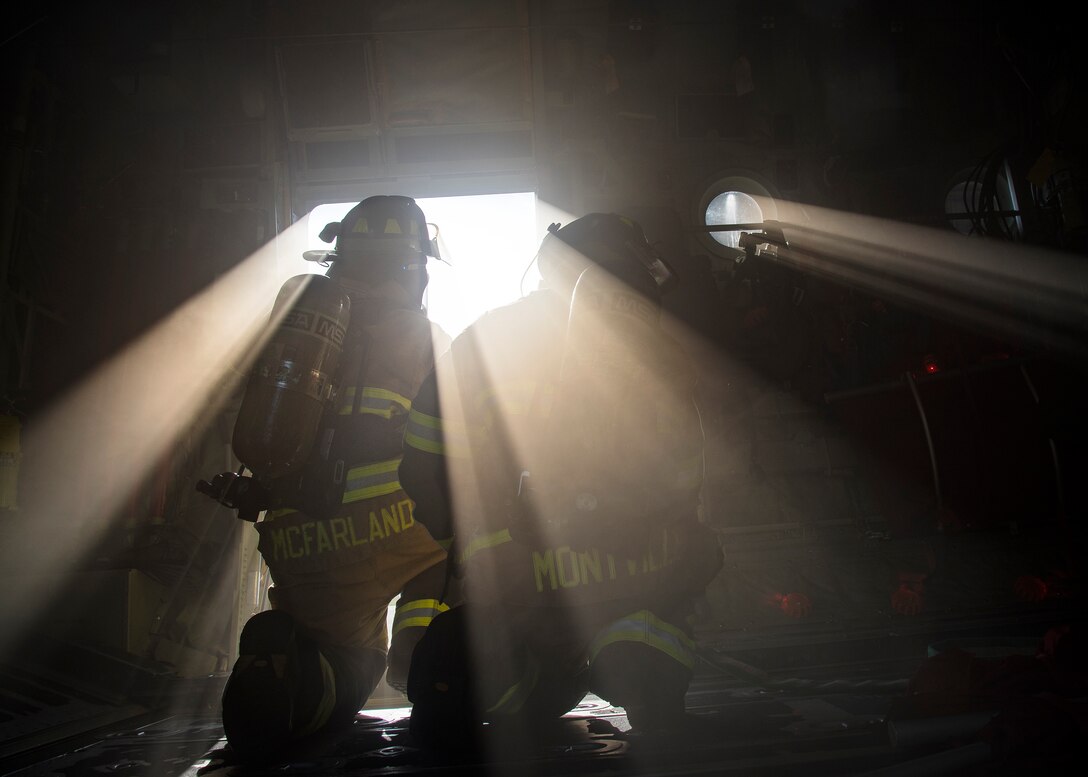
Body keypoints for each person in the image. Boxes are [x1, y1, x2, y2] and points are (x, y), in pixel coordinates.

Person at [397, 212, 724, 752]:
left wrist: (471, 550)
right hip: (633, 577)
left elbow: (421, 462)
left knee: (464, 675)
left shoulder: (488, 338)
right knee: (643, 654)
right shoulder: (662, 352)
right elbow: (689, 480)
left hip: (518, 583)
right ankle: (641, 684)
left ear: (549, 269)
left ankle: (506, 678)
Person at [218, 195, 455, 761]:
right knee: (462, 550)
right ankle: (422, 666)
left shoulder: (295, 333)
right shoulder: (422, 336)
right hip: (401, 529)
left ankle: (289, 672)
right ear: (414, 268)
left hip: (299, 539)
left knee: (341, 654)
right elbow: (460, 439)